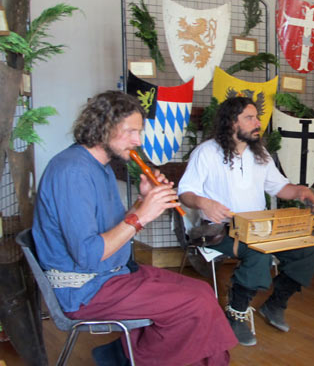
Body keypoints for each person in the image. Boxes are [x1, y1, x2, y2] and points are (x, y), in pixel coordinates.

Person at [32, 91, 237, 366]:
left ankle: (119, 356)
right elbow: (89, 255)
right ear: (103, 125)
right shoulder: (72, 172)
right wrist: (141, 215)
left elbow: (112, 231)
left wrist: (143, 201)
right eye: (131, 131)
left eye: (138, 132)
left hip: (112, 274)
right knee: (195, 305)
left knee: (202, 293)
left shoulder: (99, 166)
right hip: (86, 290)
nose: (138, 141)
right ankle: (125, 358)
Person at [178, 96, 314, 347]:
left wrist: (301, 192)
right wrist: (204, 202)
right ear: (232, 123)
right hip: (220, 230)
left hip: (259, 227)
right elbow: (185, 193)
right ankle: (235, 314)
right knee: (259, 253)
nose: (257, 123)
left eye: (257, 117)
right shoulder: (206, 152)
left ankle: (275, 305)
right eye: (250, 118)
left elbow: (279, 187)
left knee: (307, 249)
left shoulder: (260, 153)